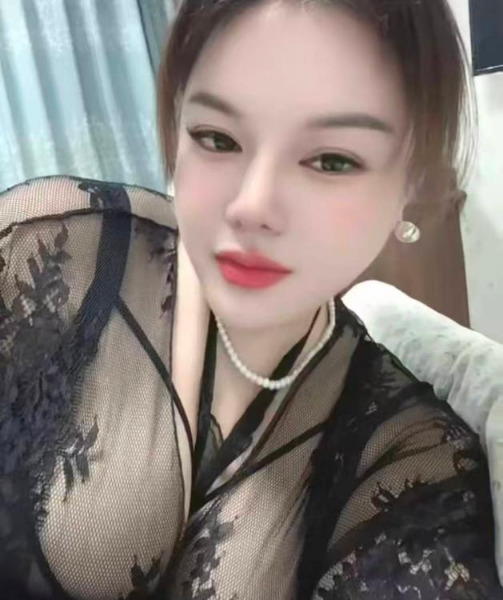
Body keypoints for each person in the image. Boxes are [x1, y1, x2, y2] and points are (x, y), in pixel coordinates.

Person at [0, 0, 501, 598]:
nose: (252, 205)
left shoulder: (409, 462)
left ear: (411, 180)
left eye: (331, 160)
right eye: (217, 138)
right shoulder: (51, 257)